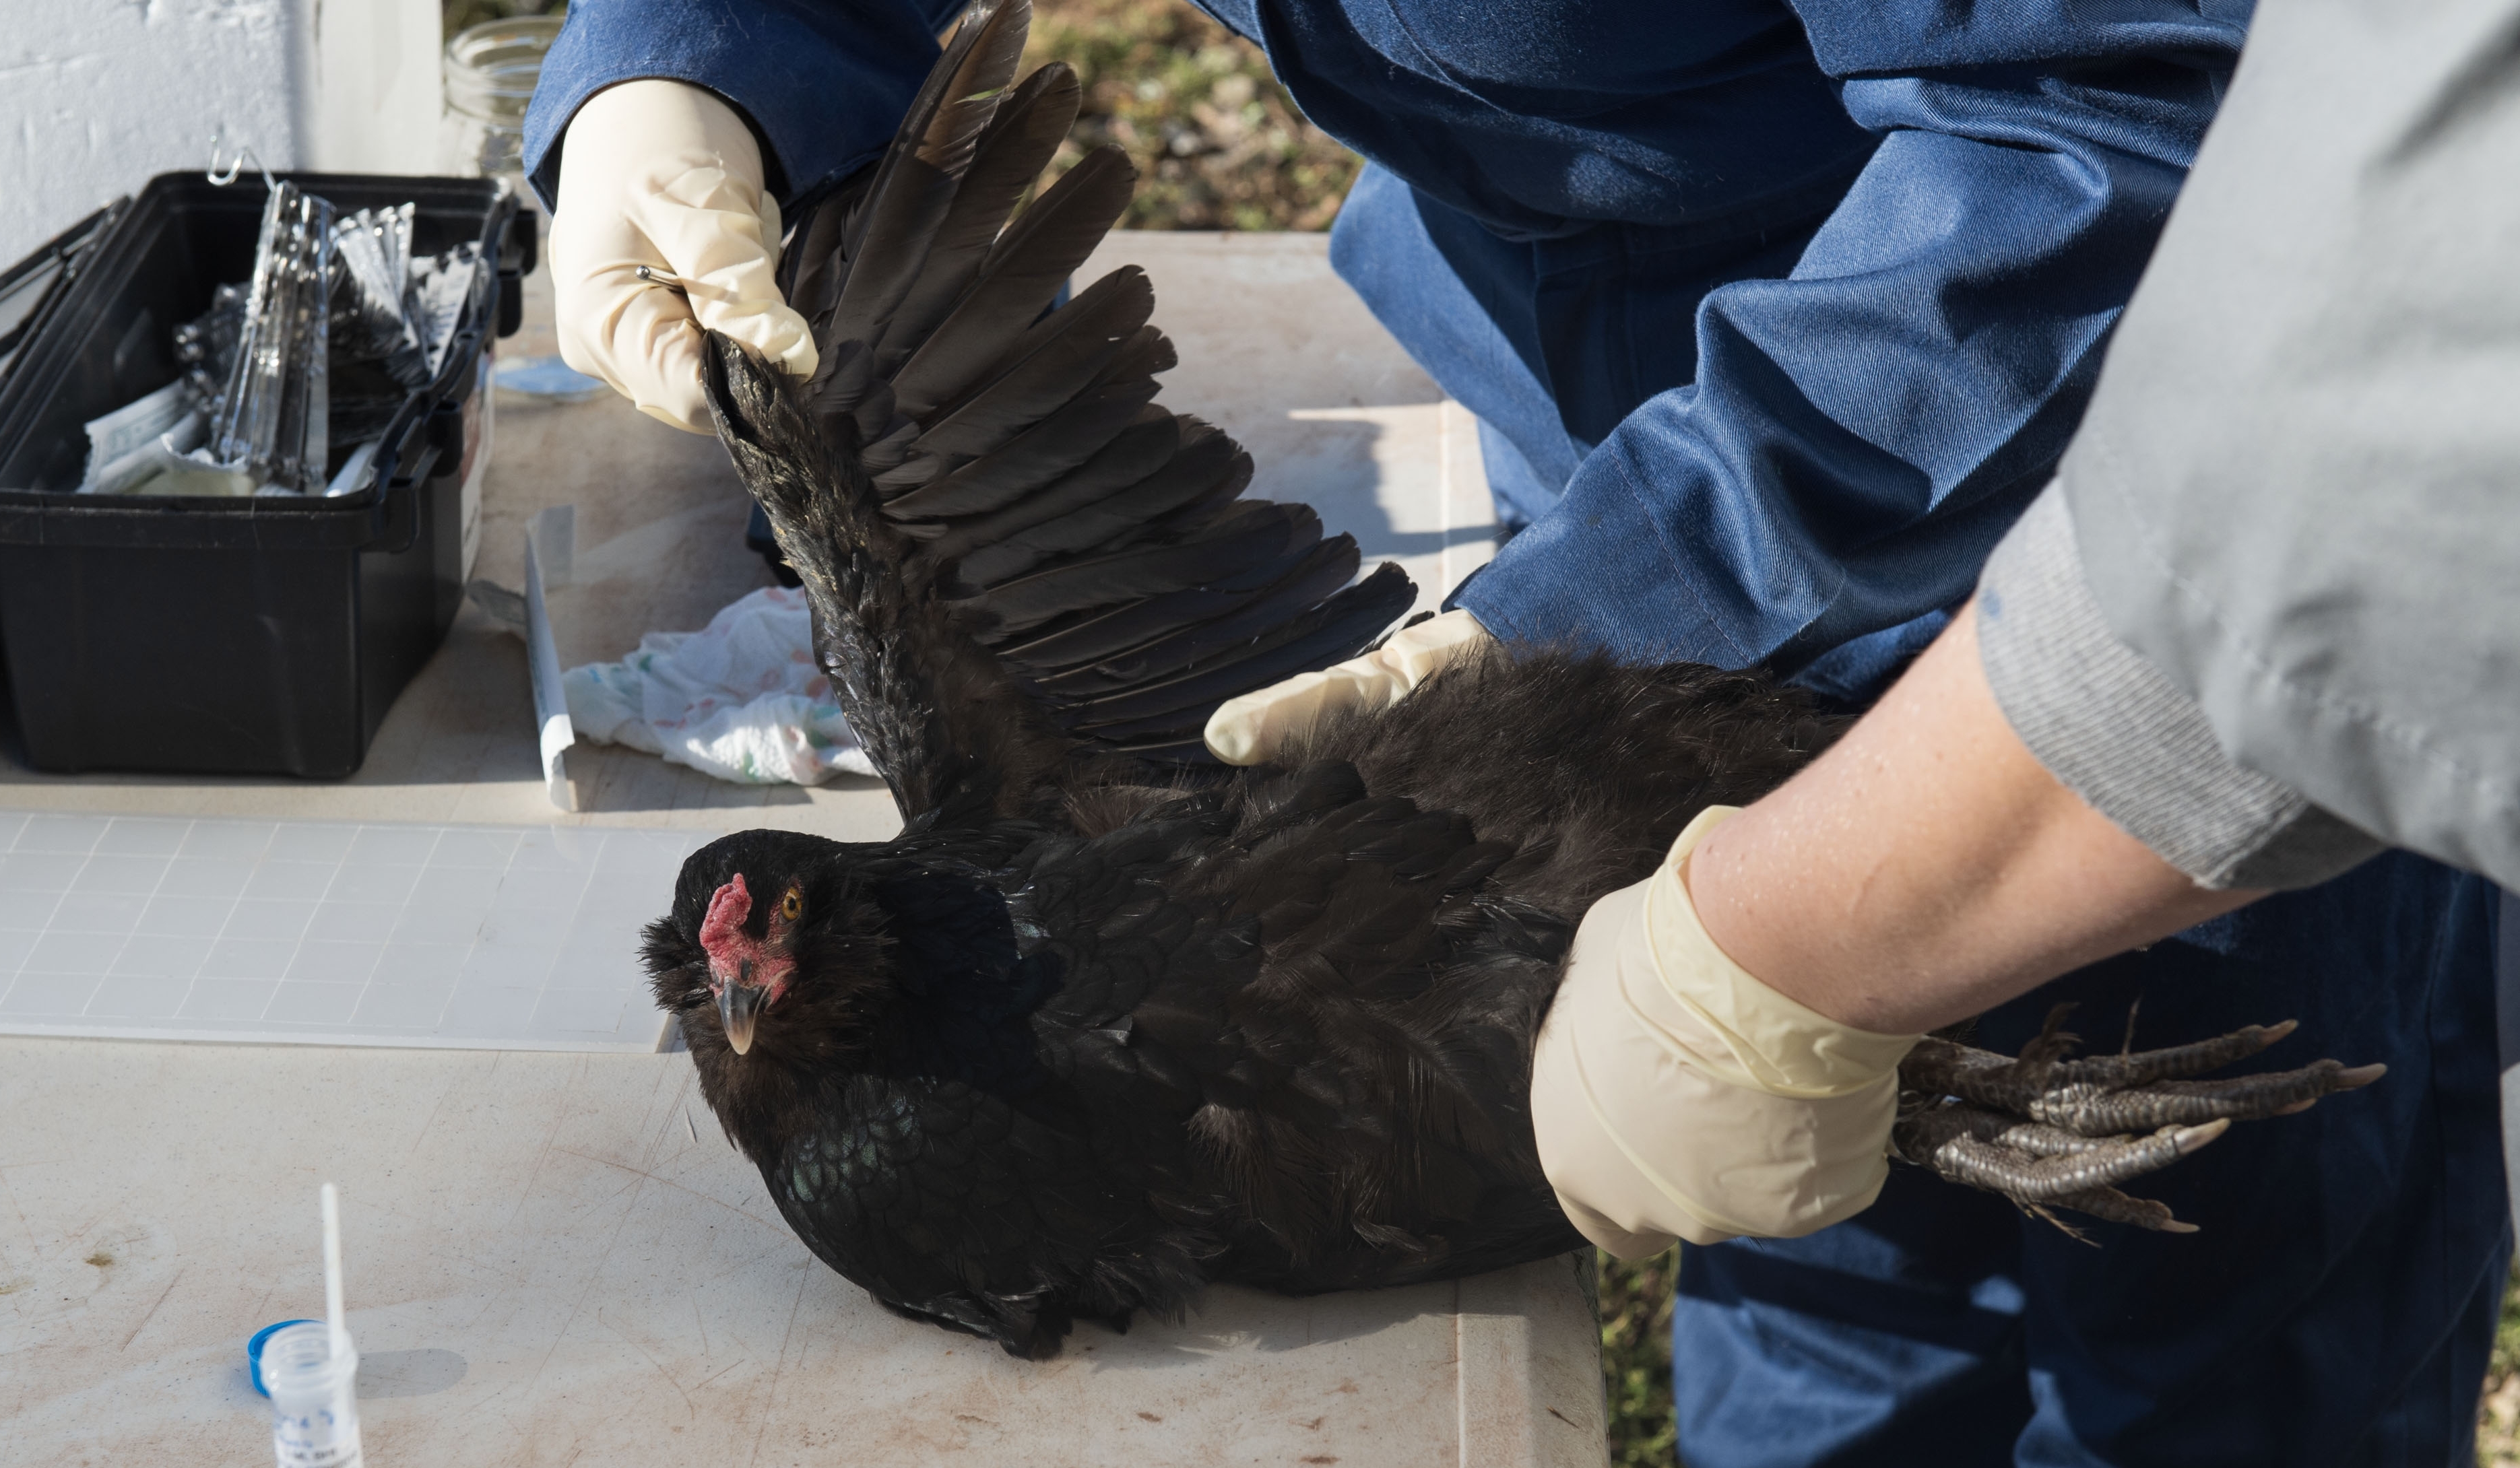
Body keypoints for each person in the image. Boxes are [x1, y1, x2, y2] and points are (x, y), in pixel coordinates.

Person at [522, 3, 2507, 1462]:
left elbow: (2130, 130)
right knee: (1808, 1257)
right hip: (1619, 442)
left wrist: (1608, 606)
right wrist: (698, 58)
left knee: (2200, 1306)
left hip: (2115, 460)